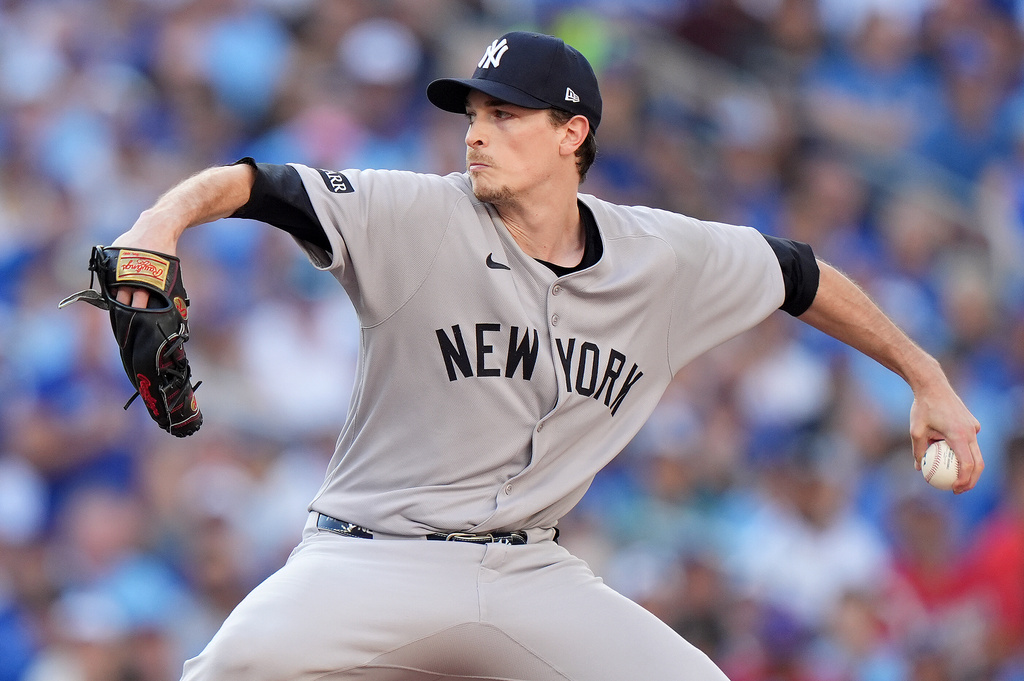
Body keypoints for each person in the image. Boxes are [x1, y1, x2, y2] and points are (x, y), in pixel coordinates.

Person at [107, 31, 983, 681]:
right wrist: (157, 225)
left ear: (573, 134)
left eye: (505, 115)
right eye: (473, 114)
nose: (476, 133)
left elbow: (797, 273)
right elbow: (255, 184)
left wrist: (925, 374)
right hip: (371, 557)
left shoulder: (661, 255)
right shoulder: (414, 213)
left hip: (530, 568)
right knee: (227, 673)